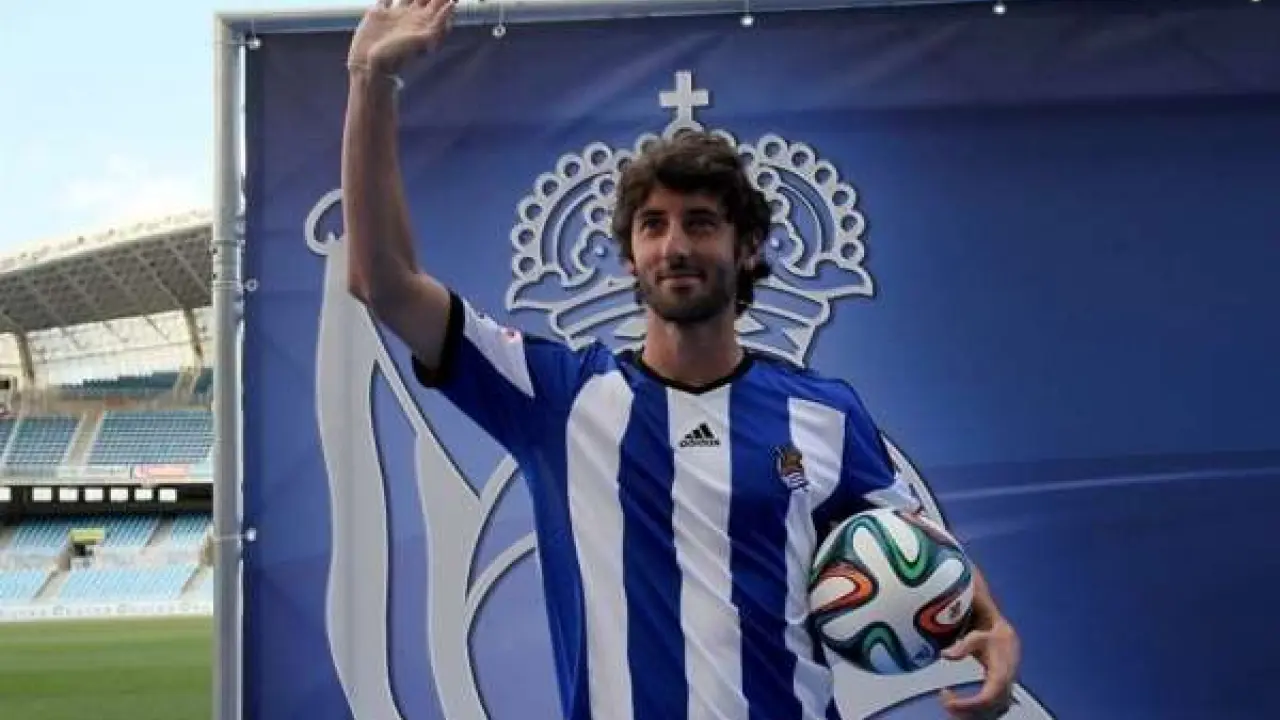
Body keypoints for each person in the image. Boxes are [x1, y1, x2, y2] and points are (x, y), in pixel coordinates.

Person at [342, 1, 1022, 718]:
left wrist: (993, 624)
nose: (674, 246)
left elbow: (918, 549)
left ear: (747, 247)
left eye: (700, 223)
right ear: (629, 255)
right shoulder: (555, 397)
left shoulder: (823, 412)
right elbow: (382, 281)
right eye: (652, 225)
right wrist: (369, 79)